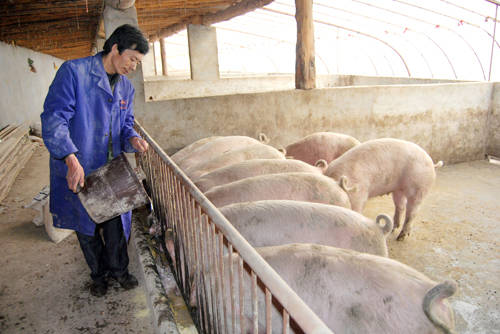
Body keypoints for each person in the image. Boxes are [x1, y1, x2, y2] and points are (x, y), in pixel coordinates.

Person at [41, 24, 149, 297]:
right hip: (81, 166)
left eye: (138, 62)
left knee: (115, 226)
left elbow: (125, 125)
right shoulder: (74, 73)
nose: (134, 67)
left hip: (111, 170)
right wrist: (70, 157)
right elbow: (55, 119)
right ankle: (98, 276)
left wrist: (133, 138)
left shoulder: (125, 88)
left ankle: (119, 272)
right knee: (87, 228)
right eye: (132, 59)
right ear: (115, 49)